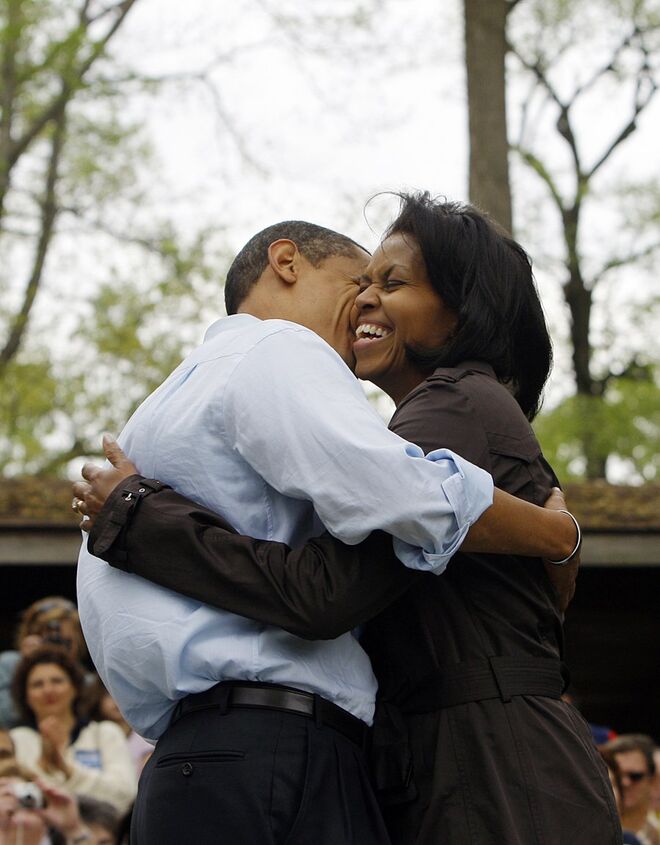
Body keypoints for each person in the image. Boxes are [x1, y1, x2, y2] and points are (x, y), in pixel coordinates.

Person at [75, 218, 581, 845]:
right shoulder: (278, 349)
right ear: (286, 262)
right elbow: (404, 497)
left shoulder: (170, 401)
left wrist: (138, 516)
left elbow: (330, 575)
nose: (366, 300)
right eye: (358, 281)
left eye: (388, 284)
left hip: (202, 757)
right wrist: (556, 534)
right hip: (272, 749)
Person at [9, 648, 135, 814]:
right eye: (37, 684)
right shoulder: (15, 740)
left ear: (75, 687)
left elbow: (125, 794)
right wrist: (44, 765)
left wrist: (68, 771)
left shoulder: (105, 733)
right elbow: (11, 800)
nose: (48, 690)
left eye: (57, 681)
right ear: (25, 696)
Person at [0, 598, 86, 729]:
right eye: (51, 641)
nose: (56, 651)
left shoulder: (87, 680)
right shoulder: (10, 663)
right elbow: (4, 717)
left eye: (65, 642)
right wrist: (25, 666)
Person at [602, 734, 660, 845]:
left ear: (652, 779)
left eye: (635, 776)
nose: (625, 783)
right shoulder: (591, 831)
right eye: (617, 777)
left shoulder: (656, 830)